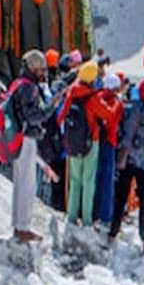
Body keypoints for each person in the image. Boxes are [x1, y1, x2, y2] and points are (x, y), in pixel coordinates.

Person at [7, 48, 50, 242]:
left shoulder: (18, 83)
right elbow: (33, 115)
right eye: (41, 68)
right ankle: (23, 225)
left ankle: (18, 223)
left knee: (19, 180)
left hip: (16, 137)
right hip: (26, 137)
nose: (43, 73)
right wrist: (51, 107)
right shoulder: (29, 88)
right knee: (27, 183)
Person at [110, 77, 144, 251]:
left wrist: (123, 152)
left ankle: (113, 231)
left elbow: (127, 133)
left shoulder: (131, 108)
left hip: (129, 158)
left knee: (121, 195)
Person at [56, 60, 103, 227]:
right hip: (92, 141)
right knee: (88, 181)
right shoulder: (94, 97)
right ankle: (87, 219)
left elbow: (60, 116)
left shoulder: (71, 93)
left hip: (73, 142)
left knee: (75, 180)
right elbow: (107, 115)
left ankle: (71, 216)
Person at [91, 73, 123, 228]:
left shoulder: (96, 97)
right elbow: (113, 120)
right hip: (109, 141)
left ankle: (92, 211)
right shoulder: (116, 103)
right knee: (107, 180)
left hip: (95, 140)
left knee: (94, 177)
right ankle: (105, 215)